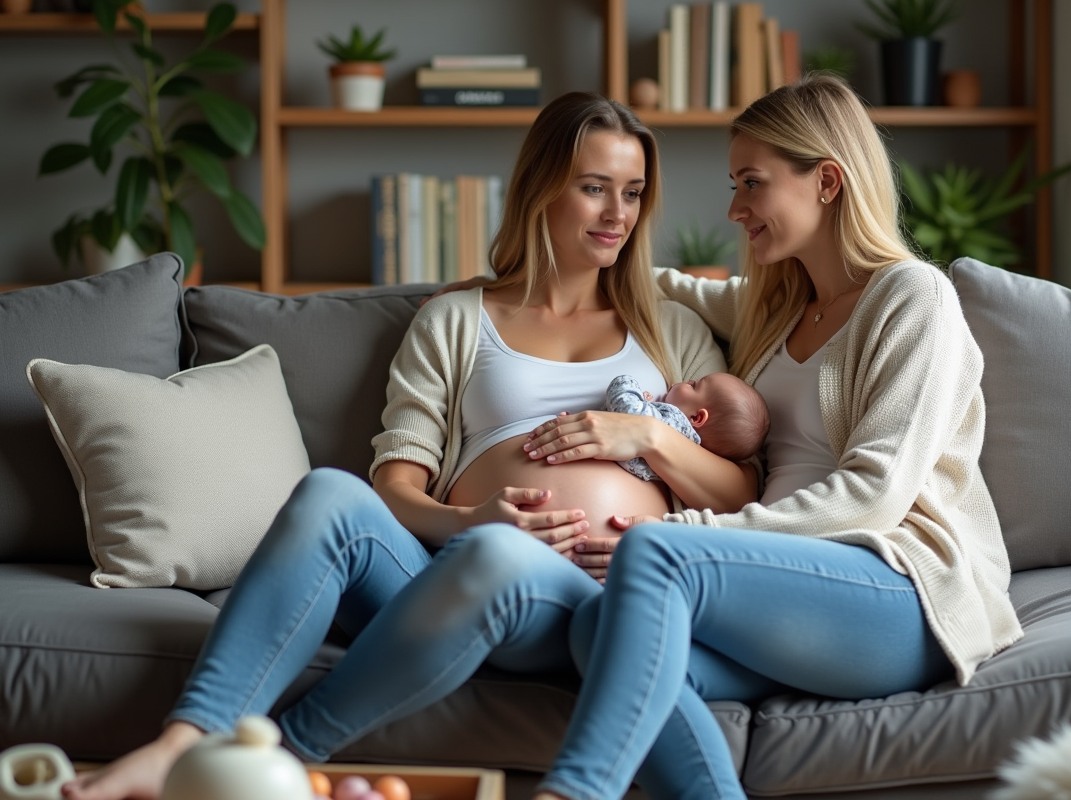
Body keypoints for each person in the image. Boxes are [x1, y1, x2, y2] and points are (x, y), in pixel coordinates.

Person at [62, 91, 756, 800]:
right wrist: (472, 519)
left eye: (633, 193)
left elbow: (743, 494)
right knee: (331, 492)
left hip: (596, 598)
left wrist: (644, 437)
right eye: (594, 189)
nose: (617, 214)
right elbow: (396, 488)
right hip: (452, 570)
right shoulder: (456, 319)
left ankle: (288, 761)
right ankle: (181, 745)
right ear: (541, 187)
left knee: (501, 553)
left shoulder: (670, 328)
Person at [518, 74, 1025, 800]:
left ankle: (572, 791)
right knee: (595, 630)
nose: (734, 208)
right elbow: (654, 281)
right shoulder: (776, 308)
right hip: (784, 594)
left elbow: (875, 497)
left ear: (825, 181)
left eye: (751, 183)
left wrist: (696, 533)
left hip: (896, 587)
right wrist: (504, 286)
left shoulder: (913, 298)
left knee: (658, 554)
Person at [604, 372, 769, 481]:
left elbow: (628, 411)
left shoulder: (675, 425)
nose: (688, 380)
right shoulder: (685, 448)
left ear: (696, 417)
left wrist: (626, 383)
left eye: (694, 385)